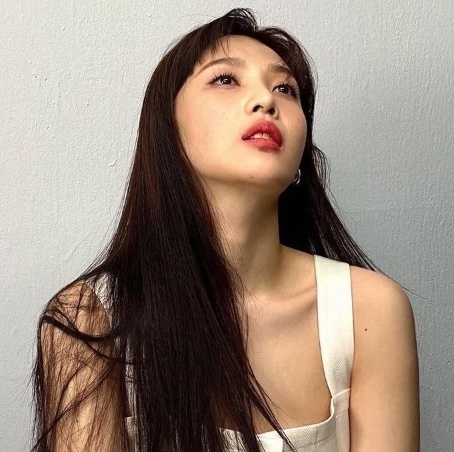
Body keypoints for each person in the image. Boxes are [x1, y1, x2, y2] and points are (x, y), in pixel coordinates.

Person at [32, 8, 419, 452]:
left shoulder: (368, 311)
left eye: (285, 89)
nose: (266, 100)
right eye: (225, 79)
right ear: (167, 131)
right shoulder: (88, 320)